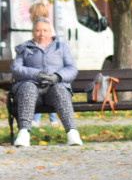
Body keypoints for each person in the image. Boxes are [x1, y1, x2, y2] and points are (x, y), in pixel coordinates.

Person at [11, 17, 81, 147]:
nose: (42, 34)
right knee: (28, 87)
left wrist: (57, 77)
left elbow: (71, 68)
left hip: (53, 88)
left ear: (50, 32)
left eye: (45, 30)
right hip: (33, 88)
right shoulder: (24, 48)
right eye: (38, 30)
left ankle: (72, 133)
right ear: (33, 32)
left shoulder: (61, 47)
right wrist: (35, 75)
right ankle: (24, 133)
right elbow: (16, 68)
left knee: (60, 89)